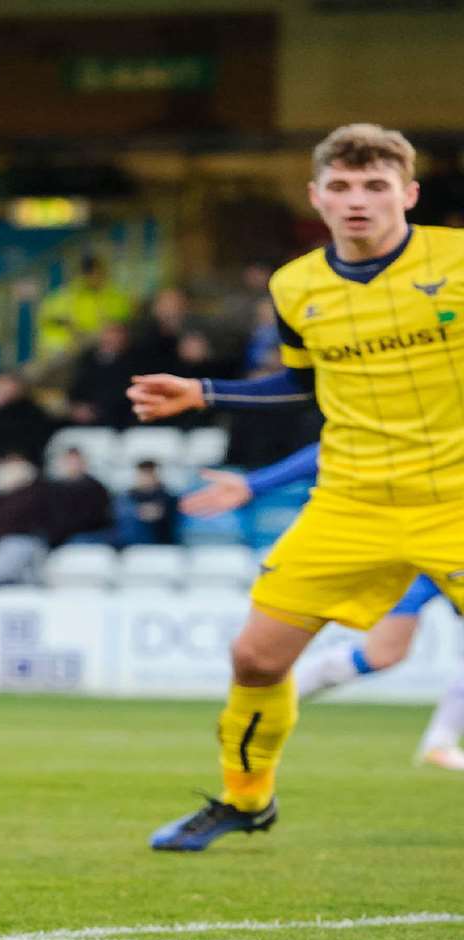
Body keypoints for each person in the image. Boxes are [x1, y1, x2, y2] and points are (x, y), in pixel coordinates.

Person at [127, 123, 464, 851]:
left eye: (376, 186)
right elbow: (302, 381)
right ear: (317, 197)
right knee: (256, 658)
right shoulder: (297, 284)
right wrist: (203, 391)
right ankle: (246, 800)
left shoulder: (458, 262)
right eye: (341, 187)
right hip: (352, 502)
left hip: (458, 501)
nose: (357, 201)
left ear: (409, 193)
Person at [180, 444, 464, 771]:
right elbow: (340, 443)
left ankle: (439, 743)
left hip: (449, 541)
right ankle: (268, 706)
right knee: (383, 654)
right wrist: (255, 484)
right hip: (414, 547)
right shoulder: (411, 417)